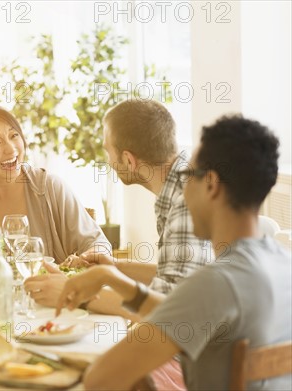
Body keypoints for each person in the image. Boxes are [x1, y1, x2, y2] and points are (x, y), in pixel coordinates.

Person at [56, 115, 291, 390]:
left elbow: (100, 380)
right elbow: (192, 314)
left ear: (211, 185)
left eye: (188, 175)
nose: (183, 189)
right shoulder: (281, 262)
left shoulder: (217, 283)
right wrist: (115, 278)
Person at [26, 99, 212, 318]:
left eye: (108, 152)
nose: (109, 162)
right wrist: (114, 267)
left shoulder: (185, 201)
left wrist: (72, 293)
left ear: (128, 160)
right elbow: (176, 280)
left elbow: (171, 313)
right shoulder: (179, 183)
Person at [0, 103, 111, 263]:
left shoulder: (50, 187)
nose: (11, 149)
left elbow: (99, 245)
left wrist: (83, 260)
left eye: (13, 135)